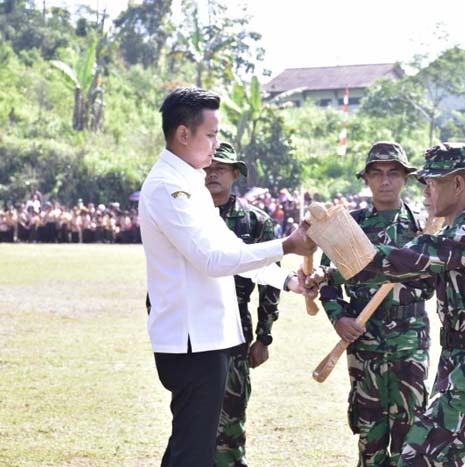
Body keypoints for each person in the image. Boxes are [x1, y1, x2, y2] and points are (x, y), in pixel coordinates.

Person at [312, 142, 465, 466]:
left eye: (432, 182)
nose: (425, 192)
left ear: (457, 183)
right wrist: (330, 274)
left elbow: (404, 261)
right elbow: (407, 268)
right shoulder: (460, 230)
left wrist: (333, 267)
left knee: (417, 458)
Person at [138, 87, 316, 467]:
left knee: (193, 448)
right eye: (211, 134)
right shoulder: (168, 187)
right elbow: (213, 259)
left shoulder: (190, 182)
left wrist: (286, 281)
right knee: (193, 452)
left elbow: (232, 246)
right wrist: (287, 244)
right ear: (183, 134)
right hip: (191, 342)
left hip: (206, 338)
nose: (216, 144)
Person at [319, 141, 435, 466]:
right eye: (377, 173)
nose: (385, 181)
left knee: (410, 435)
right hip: (363, 341)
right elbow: (326, 281)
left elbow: (437, 280)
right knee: (369, 435)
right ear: (366, 179)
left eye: (393, 173)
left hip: (409, 344)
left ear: (405, 179)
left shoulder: (424, 228)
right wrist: (338, 318)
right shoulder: (347, 227)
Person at [201, 142, 282, 467]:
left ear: (235, 173)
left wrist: (264, 337)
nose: (212, 175)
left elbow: (271, 284)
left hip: (234, 333)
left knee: (231, 423)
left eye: (220, 168)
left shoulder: (254, 222)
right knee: (193, 423)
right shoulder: (187, 216)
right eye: (207, 168)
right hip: (192, 332)